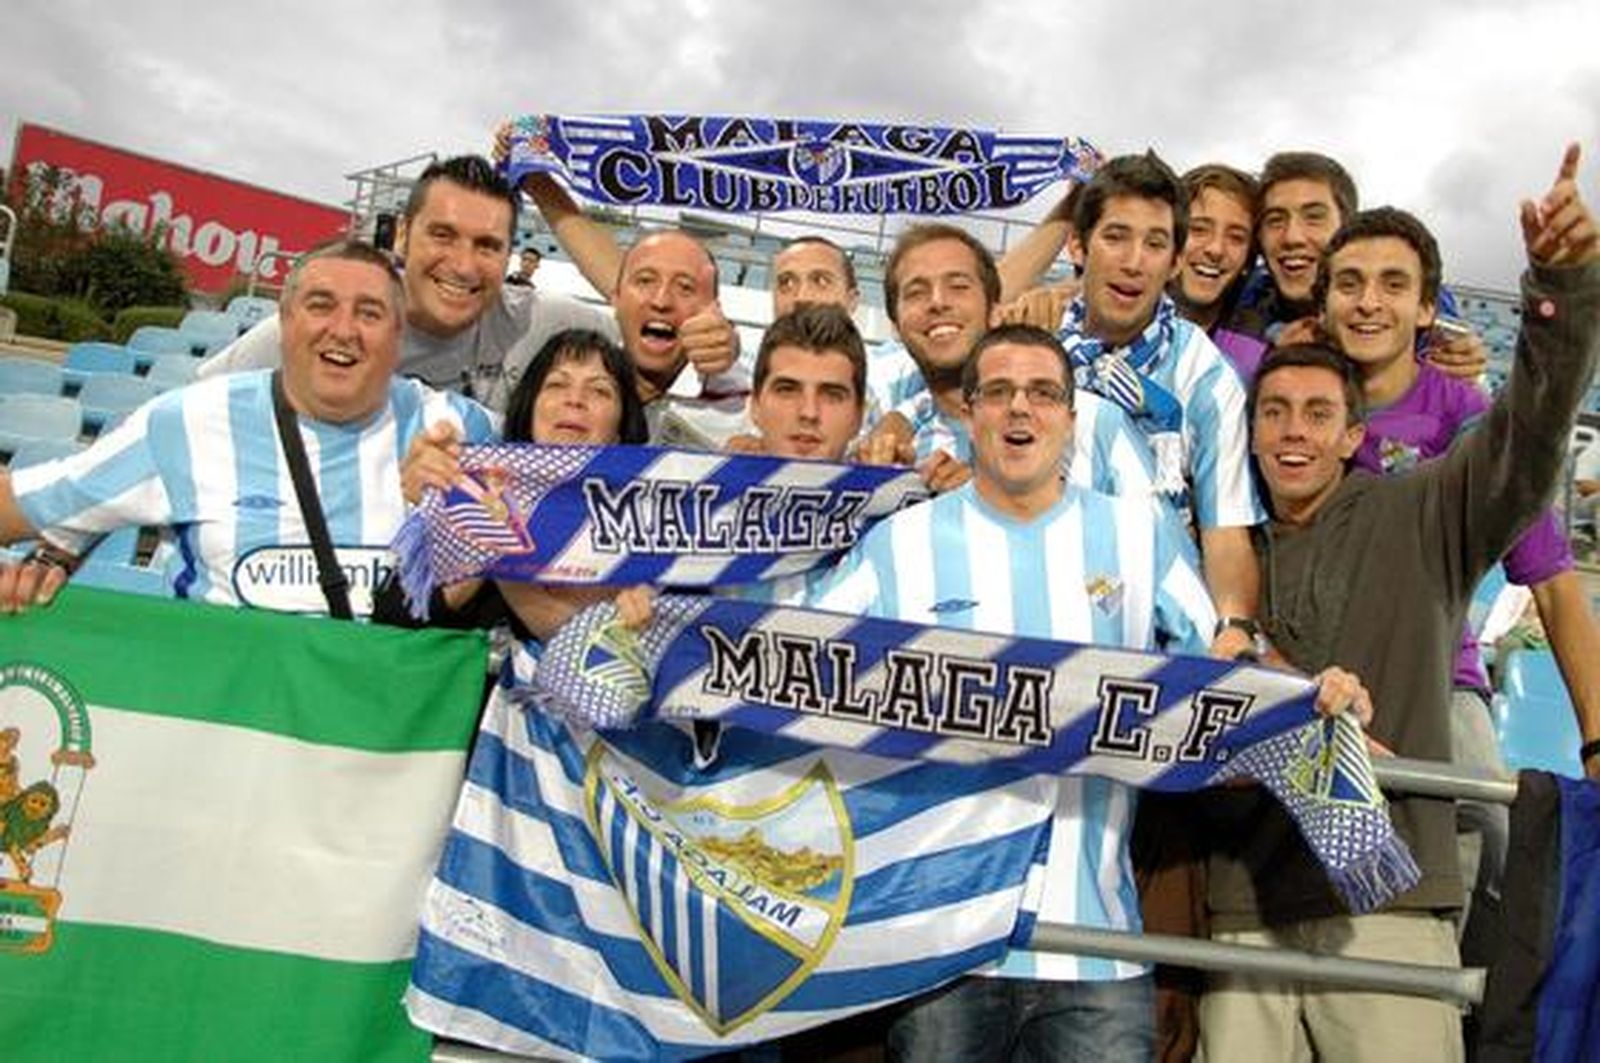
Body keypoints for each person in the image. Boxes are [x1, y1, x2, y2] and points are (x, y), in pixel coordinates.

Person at [805, 323, 1366, 1062]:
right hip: (944, 950)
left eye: (1042, 393)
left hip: (1096, 951)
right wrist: (656, 631)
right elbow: (787, 667)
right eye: (998, 392)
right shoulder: (900, 545)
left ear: (1073, 418)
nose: (1019, 411)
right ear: (968, 413)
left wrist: (1314, 694)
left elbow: (1225, 661)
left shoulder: (1138, 536)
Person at [1201, 144, 1600, 1063]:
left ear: (1356, 436)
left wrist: (1560, 289)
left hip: (1385, 905)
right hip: (1247, 910)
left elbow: (1532, 429)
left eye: (1316, 415)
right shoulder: (1222, 546)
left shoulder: (1425, 511)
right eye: (1274, 413)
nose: (1293, 431)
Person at [1316, 204, 1600, 931]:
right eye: (1348, 283)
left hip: (1440, 679)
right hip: (1308, 673)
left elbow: (1555, 584)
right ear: (1323, 303)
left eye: (1391, 284)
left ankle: (1465, 1009)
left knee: (1486, 825)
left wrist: (1597, 738)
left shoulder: (1469, 415)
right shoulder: (1292, 405)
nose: (1368, 301)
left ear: (1425, 309)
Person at [0, 239, 495, 616]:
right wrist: (52, 559)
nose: (343, 330)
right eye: (321, 305)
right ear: (284, 319)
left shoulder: (455, 427)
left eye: (370, 313)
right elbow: (24, 503)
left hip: (379, 744)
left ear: (397, 333)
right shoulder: (188, 423)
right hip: (223, 732)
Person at [198, 156, 614, 414]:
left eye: (487, 246)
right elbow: (198, 421)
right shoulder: (326, 331)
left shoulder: (539, 321)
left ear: (509, 255)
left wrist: (544, 189)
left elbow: (648, 312)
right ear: (401, 235)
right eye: (443, 235)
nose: (464, 266)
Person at [1057, 151, 1265, 659]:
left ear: (1174, 261)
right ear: (1079, 246)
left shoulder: (1208, 376)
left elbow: (1225, 528)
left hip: (1152, 629)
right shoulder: (1033, 348)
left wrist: (1234, 625)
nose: (1133, 262)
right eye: (1115, 237)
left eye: (1154, 244)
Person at [861, 223, 1166, 507]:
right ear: (896, 326)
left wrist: (999, 510)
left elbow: (1163, 550)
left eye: (958, 286)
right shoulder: (897, 453)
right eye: (916, 292)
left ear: (995, 311)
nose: (938, 302)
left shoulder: (1096, 423)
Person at [383, 327, 651, 641]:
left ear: (620, 429)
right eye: (557, 384)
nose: (575, 400)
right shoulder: (473, 496)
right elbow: (391, 620)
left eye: (600, 390)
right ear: (530, 409)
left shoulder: (649, 527)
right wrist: (483, 528)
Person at [1170, 164, 1270, 380]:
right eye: (1198, 229)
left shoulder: (1264, 348)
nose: (1216, 249)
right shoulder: (1115, 321)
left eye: (1236, 237)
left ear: (1250, 257)